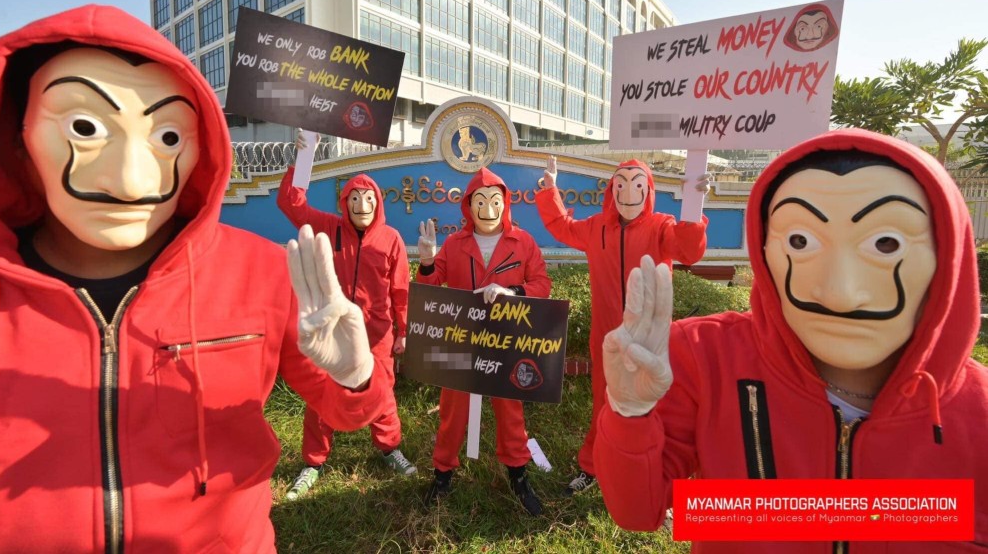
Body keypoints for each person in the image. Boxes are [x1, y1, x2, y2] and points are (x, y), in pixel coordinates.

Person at [0, 5, 391, 552]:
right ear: (17, 132)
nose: (129, 178)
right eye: (85, 127)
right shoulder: (320, 232)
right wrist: (305, 154)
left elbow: (351, 403)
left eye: (167, 136)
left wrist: (357, 375)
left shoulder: (267, 273)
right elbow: (294, 201)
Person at [594, 129, 988, 552]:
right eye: (800, 241)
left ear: (949, 250)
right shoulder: (706, 357)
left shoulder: (978, 413)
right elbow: (639, 511)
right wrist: (628, 415)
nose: (838, 291)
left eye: (885, 243)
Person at [535, 155, 709, 494]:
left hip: (650, 338)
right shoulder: (597, 227)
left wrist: (693, 208)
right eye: (622, 184)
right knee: (605, 400)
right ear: (612, 190)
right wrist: (550, 189)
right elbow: (561, 226)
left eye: (637, 184)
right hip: (608, 337)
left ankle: (658, 475)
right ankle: (594, 465)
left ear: (649, 191)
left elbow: (689, 251)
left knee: (656, 405)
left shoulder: (662, 226)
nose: (629, 192)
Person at [277, 144, 416, 499]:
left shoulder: (391, 239)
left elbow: (401, 288)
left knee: (382, 391)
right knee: (322, 393)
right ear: (345, 204)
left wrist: (403, 330)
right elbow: (291, 205)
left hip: (378, 333)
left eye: (368, 199)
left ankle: (389, 448)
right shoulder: (329, 228)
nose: (361, 206)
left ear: (378, 203)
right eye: (354, 199)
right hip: (334, 330)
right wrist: (303, 159)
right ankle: (313, 461)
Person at [416, 167, 551, 515]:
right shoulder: (454, 243)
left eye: (494, 200)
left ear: (504, 203)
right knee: (452, 410)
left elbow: (542, 284)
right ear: (469, 206)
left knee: (511, 412)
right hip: (462, 340)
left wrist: (513, 292)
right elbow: (431, 290)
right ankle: (443, 473)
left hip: (507, 342)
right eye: (480, 201)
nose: (488, 208)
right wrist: (428, 262)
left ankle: (519, 476)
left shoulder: (523, 241)